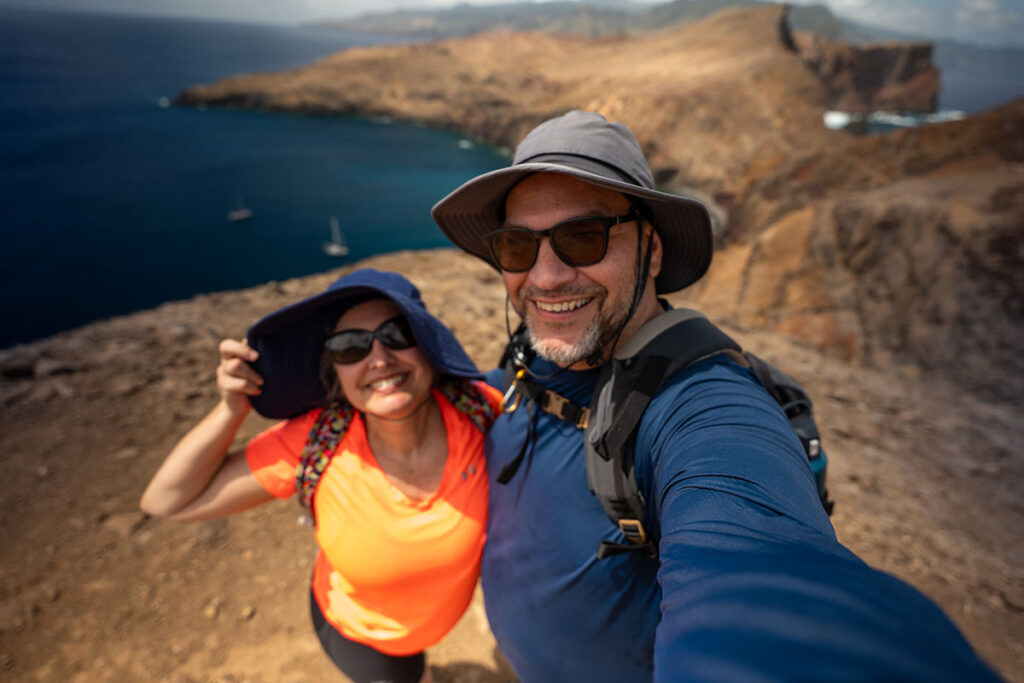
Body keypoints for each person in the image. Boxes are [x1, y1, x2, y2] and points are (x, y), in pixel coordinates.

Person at [431, 110, 999, 681]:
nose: (546, 277)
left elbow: (760, 575)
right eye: (517, 246)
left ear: (650, 251)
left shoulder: (697, 403)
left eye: (583, 237)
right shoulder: (525, 363)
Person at [140, 269, 501, 683]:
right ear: (335, 372)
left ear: (427, 347)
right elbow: (166, 500)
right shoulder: (317, 441)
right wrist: (230, 411)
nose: (380, 359)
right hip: (362, 637)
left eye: (398, 334)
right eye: (351, 348)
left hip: (437, 623)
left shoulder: (480, 413)